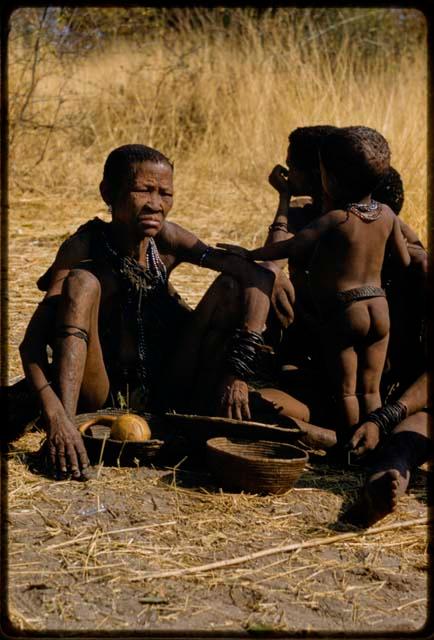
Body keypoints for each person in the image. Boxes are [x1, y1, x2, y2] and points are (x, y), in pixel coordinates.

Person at [17, 144, 275, 479]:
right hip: (99, 393)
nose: (156, 204)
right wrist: (57, 420)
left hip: (167, 387)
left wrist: (238, 370)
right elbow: (31, 345)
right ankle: (70, 434)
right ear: (108, 193)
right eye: (143, 190)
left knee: (230, 285)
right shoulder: (84, 246)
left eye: (165, 193)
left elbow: (256, 275)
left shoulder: (167, 240)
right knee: (83, 282)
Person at [219, 126, 411, 437]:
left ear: (327, 179)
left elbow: (289, 247)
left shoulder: (337, 219)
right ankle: (375, 436)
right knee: (370, 388)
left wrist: (249, 252)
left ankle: (349, 445)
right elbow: (404, 264)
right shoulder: (387, 215)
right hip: (378, 306)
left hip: (345, 310)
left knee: (348, 390)